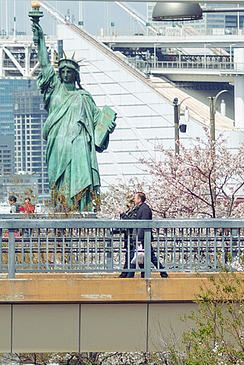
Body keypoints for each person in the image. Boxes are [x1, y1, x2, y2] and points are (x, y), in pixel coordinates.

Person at [31, 8, 116, 211]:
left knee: (80, 182)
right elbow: (44, 63)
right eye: (63, 71)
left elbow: (98, 122)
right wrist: (39, 35)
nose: (66, 74)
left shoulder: (84, 97)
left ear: (76, 75)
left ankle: (82, 210)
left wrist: (108, 124)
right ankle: (61, 212)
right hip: (58, 145)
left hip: (79, 146)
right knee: (58, 183)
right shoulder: (54, 89)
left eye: (70, 72)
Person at [119, 192, 167, 278]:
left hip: (144, 238)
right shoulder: (140, 208)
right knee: (148, 257)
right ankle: (162, 273)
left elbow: (144, 224)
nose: (134, 199)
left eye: (135, 198)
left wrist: (140, 238)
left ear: (139, 199)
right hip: (143, 237)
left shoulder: (144, 209)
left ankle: (130, 277)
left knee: (137, 256)